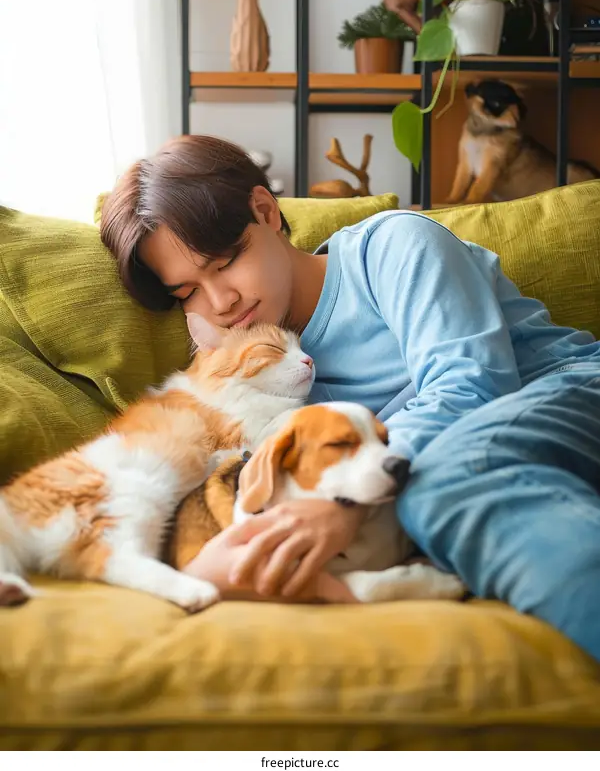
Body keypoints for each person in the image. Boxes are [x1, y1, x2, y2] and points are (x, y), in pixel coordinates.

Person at [101, 134, 600, 662]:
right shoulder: (256, 380)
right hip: (486, 472)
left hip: (562, 389)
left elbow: (471, 384)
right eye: (188, 293)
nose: (221, 301)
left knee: (440, 482)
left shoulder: (390, 247)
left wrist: (343, 504)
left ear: (265, 212)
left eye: (224, 262)